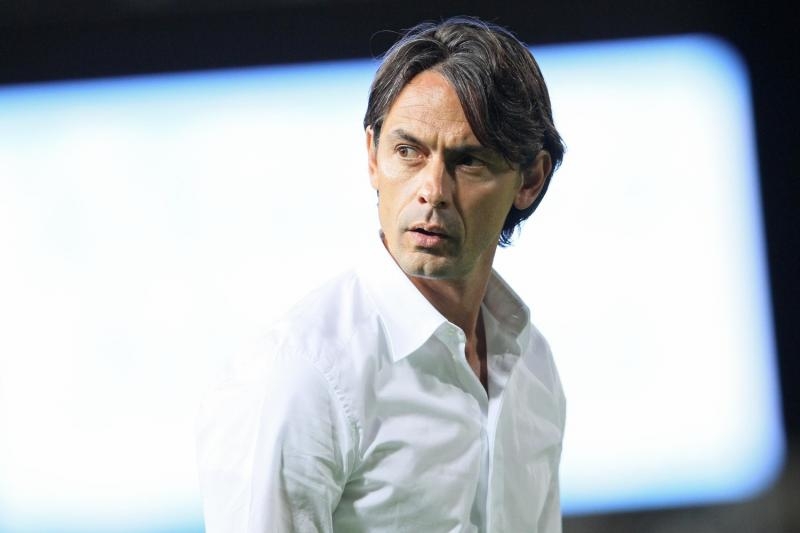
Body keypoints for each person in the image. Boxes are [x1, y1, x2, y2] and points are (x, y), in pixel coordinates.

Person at [197, 15, 566, 533]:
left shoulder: (531, 363)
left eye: (468, 161)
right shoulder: (302, 375)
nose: (432, 191)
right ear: (372, 156)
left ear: (530, 180)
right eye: (407, 152)